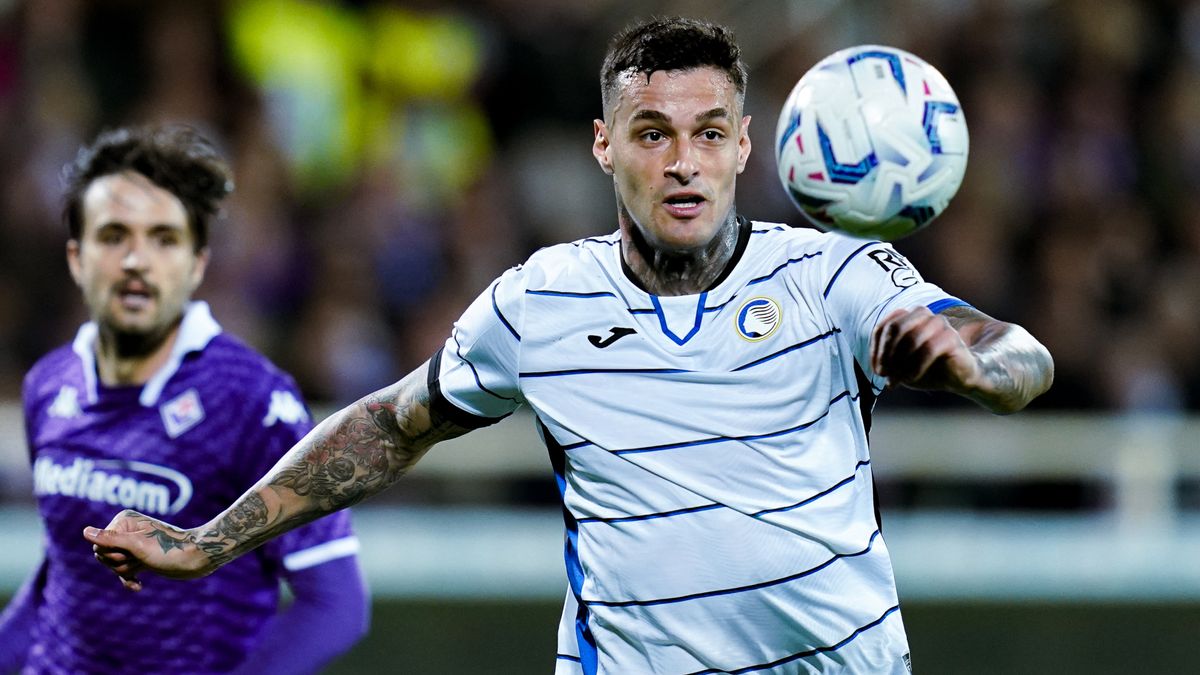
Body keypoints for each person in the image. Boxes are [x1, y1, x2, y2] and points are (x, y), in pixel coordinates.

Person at [86, 19, 1053, 674]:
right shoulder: (539, 302)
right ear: (603, 144)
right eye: (652, 132)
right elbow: (387, 425)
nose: (683, 161)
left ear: (748, 145)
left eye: (709, 133)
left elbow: (1019, 356)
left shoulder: (834, 275)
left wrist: (975, 365)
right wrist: (208, 541)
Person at [0, 125, 369, 674]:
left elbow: (335, 603)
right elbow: (62, 571)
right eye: (113, 235)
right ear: (76, 258)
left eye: (164, 238)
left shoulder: (251, 402)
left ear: (198, 263)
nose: (136, 260)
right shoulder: (48, 385)